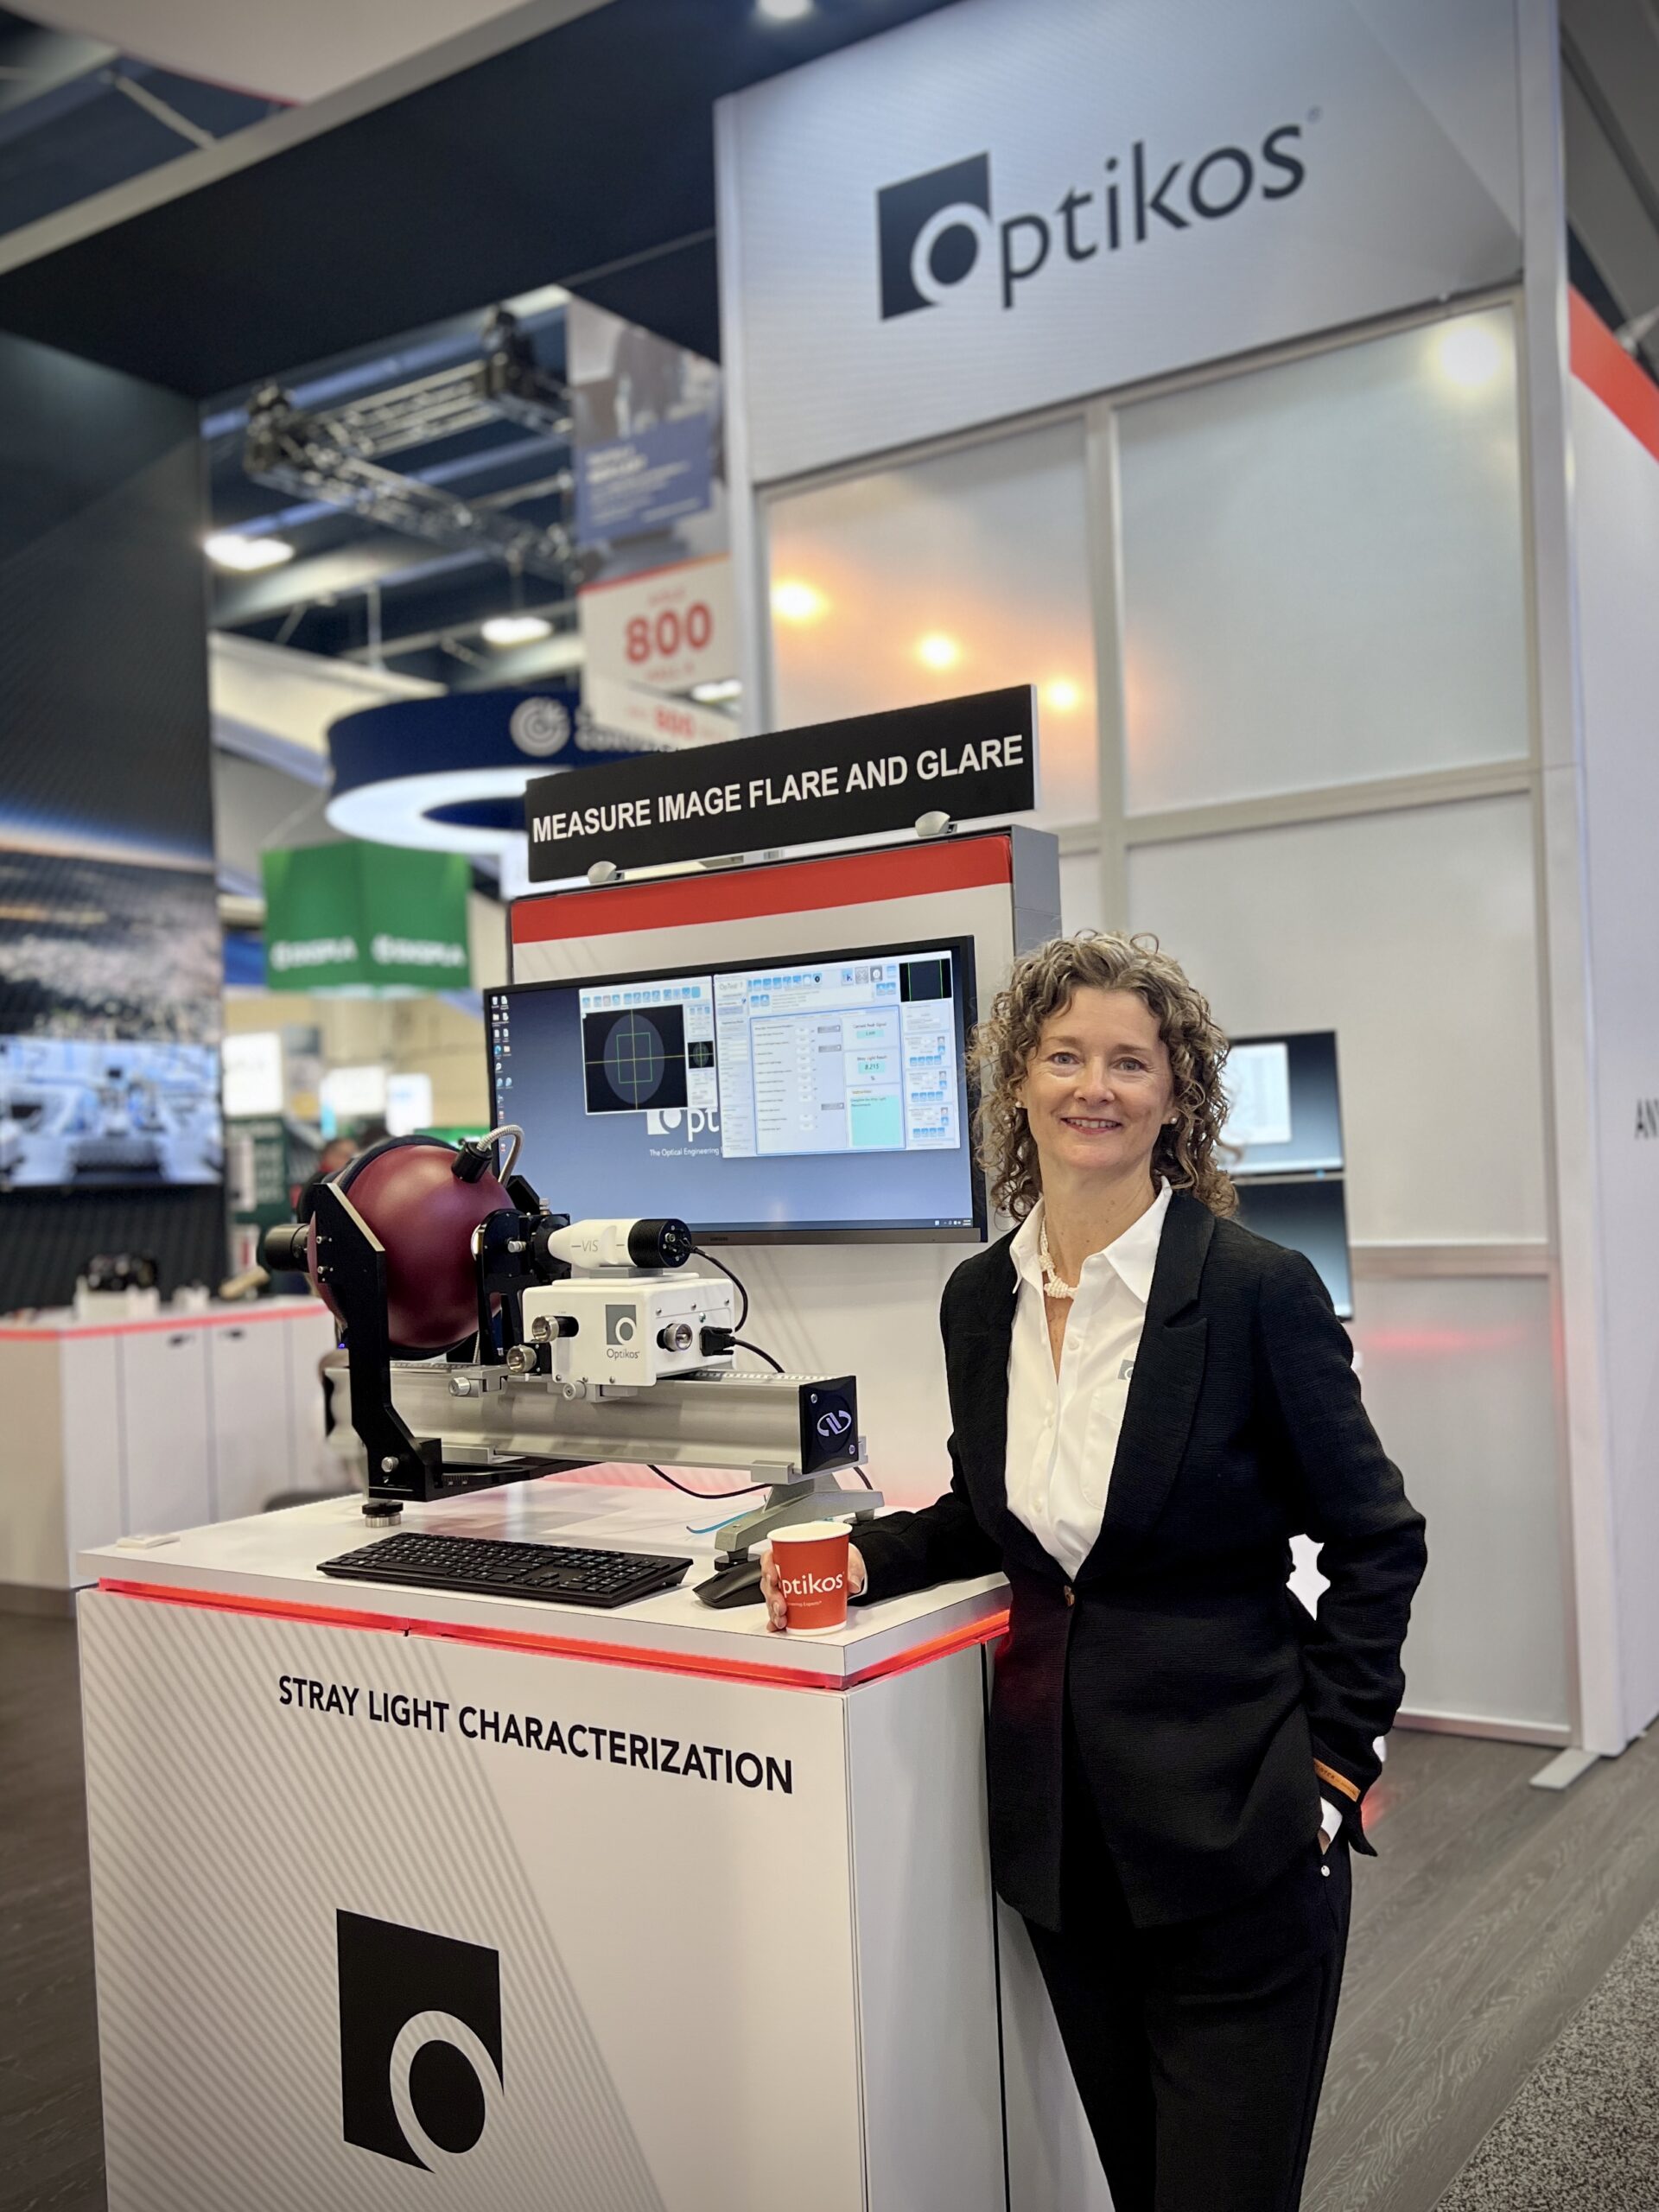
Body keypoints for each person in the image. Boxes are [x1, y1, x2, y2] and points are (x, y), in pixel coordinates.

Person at [760, 932, 1426, 2212]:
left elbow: (1376, 1539)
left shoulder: (1254, 1292)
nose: (1095, 1087)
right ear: (1017, 1079)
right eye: (1065, 1056)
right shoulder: (977, 1300)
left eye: (1132, 1061)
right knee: (1137, 2185)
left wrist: (1332, 1774)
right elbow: (984, 1514)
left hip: (1241, 1816)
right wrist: (845, 1556)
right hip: (1060, 1837)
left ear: (1179, 1096)